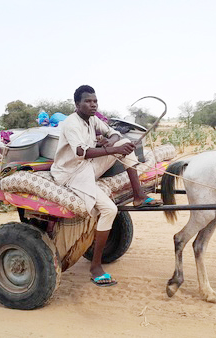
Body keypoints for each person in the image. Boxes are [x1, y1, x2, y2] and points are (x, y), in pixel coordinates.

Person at [51, 85, 162, 287]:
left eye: (95, 101)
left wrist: (110, 142)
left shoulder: (92, 119)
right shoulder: (71, 124)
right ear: (77, 104)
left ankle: (138, 196)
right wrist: (110, 147)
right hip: (72, 174)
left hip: (87, 167)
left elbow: (114, 134)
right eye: (88, 101)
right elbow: (82, 153)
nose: (93, 105)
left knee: (125, 145)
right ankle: (95, 267)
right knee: (109, 209)